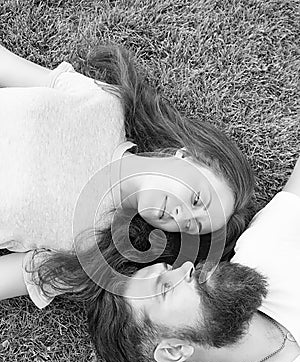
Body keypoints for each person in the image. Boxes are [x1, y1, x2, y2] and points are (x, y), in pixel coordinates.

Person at [0, 44, 253, 307]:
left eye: (190, 226)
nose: (182, 216)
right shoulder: (106, 103)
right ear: (187, 156)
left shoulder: (90, 250)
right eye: (197, 199)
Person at [87, 155, 300, 362]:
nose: (187, 268)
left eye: (168, 270)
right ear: (174, 349)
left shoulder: (263, 252)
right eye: (164, 289)